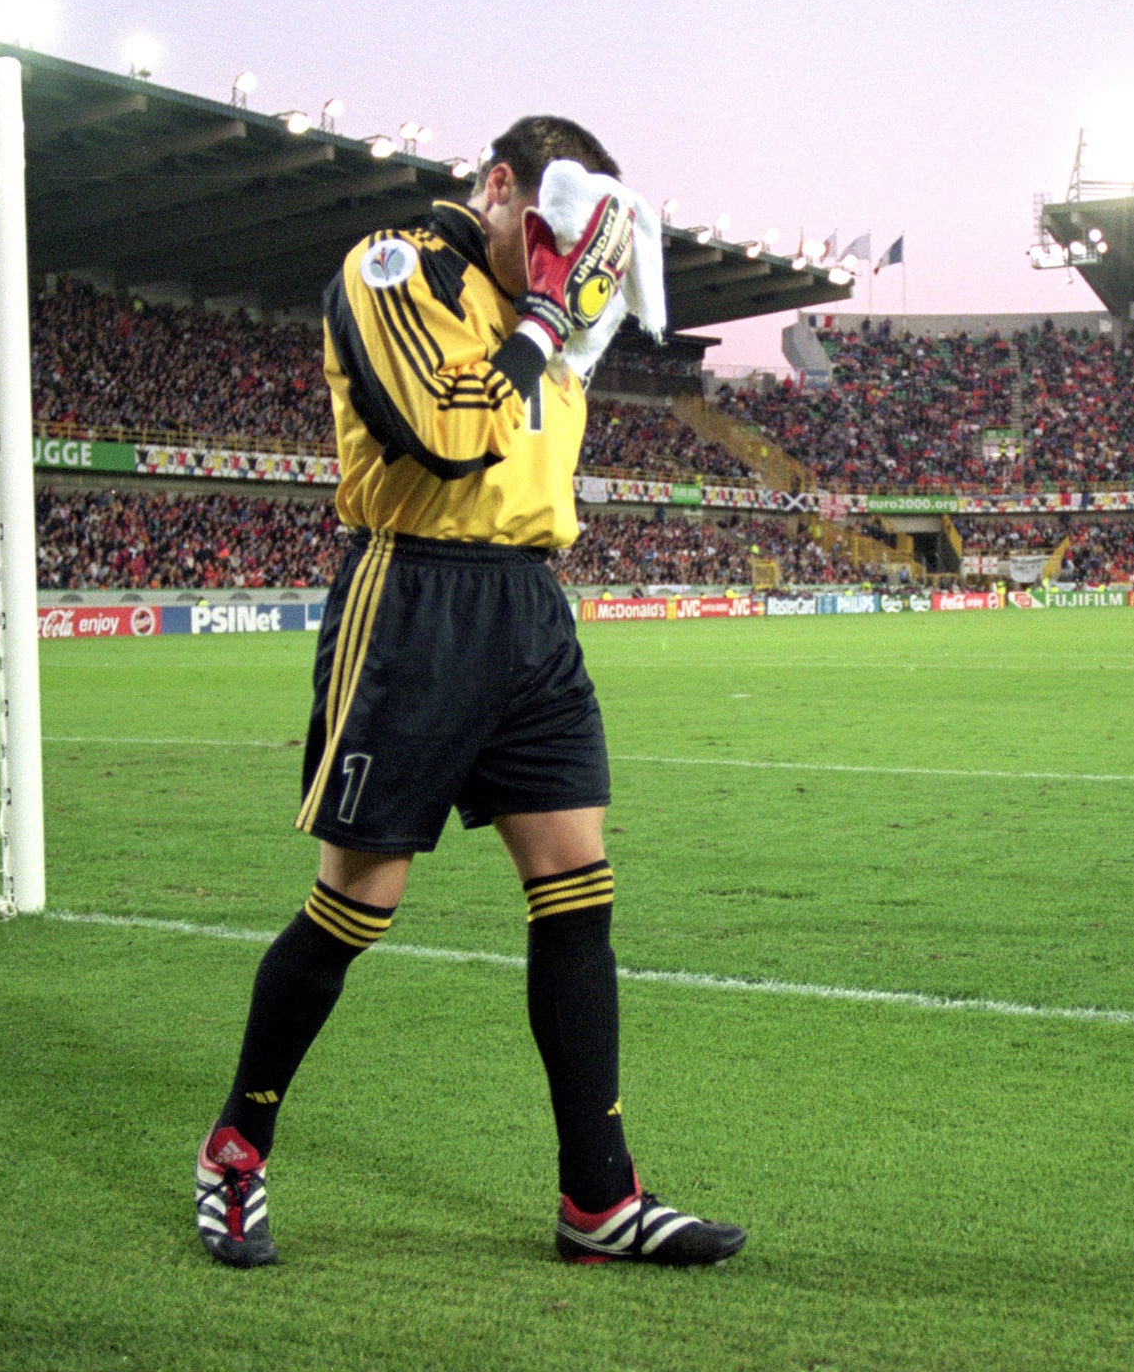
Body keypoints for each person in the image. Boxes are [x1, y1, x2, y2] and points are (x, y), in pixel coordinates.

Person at [193, 117, 745, 1270]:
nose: (564, 259)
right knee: (358, 900)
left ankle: (598, 1200)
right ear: (498, 188)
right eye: (548, 228)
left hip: (528, 609)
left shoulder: (552, 312)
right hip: (415, 599)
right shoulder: (391, 268)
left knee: (576, 887)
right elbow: (446, 432)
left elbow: (537, 422)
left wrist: (565, 323)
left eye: (578, 244)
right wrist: (547, 317)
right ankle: (236, 1149)